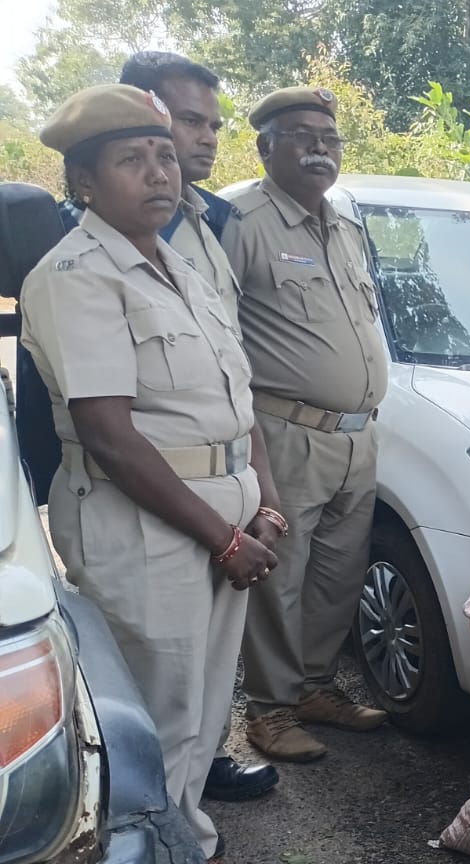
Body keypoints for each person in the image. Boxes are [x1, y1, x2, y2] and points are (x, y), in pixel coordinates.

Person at [20, 84, 282, 864]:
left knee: (203, 713)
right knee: (159, 715)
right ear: (84, 183)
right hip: (146, 525)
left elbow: (238, 402)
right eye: (131, 160)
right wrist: (225, 536)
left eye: (165, 154)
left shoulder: (181, 263)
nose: (159, 172)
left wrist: (260, 498)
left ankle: (182, 855)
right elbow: (110, 435)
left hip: (215, 515)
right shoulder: (75, 275)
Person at [118, 49, 280, 805]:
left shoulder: (211, 221)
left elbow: (230, 370)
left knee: (206, 671)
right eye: (190, 120)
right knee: (158, 674)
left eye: (213, 125)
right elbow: (106, 419)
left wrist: (262, 499)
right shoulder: (90, 240)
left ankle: (199, 773)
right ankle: (158, 831)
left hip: (222, 481)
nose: (208, 139)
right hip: (147, 493)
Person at [223, 86, 389, 762]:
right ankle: (268, 710)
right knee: (281, 576)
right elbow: (217, 335)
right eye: (301, 135)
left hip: (358, 434)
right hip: (286, 431)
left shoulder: (344, 225)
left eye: (329, 137)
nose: (320, 147)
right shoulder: (240, 221)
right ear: (266, 147)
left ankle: (315, 687)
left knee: (336, 576)